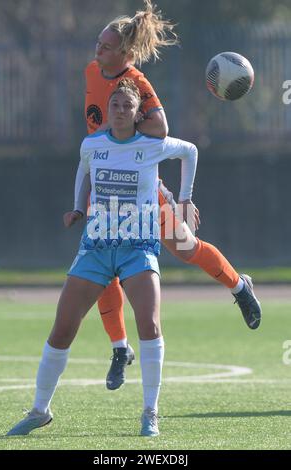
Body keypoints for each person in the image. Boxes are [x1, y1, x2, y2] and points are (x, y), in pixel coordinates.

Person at [83, 0, 262, 392]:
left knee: (185, 248)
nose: (98, 49)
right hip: (106, 191)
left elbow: (161, 128)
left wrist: (178, 193)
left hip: (145, 195)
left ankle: (239, 287)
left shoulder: (136, 82)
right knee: (101, 264)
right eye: (98, 42)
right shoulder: (91, 72)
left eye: (106, 45)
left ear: (125, 54)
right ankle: (119, 348)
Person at [6, 78, 199, 437]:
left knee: (149, 324)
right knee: (62, 328)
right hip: (95, 245)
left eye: (128, 107)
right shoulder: (93, 144)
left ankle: (150, 412)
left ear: (138, 113)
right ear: (107, 111)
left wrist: (184, 200)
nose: (121, 112)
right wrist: (78, 208)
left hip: (137, 243)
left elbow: (190, 151)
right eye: (115, 106)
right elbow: (84, 170)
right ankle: (39, 410)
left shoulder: (152, 144)